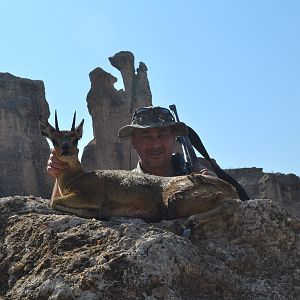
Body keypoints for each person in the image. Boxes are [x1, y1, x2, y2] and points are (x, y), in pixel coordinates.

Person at [47, 106, 214, 197]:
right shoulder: (122, 186)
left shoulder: (197, 178)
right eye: (146, 136)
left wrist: (214, 188)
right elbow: (65, 210)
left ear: (173, 138)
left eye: (162, 135)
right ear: (134, 142)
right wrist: (62, 168)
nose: (155, 144)